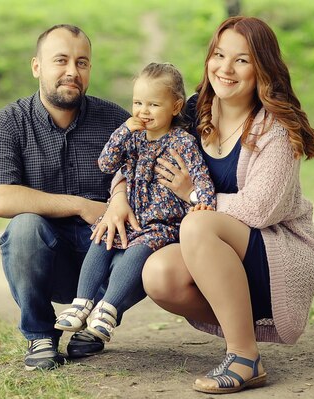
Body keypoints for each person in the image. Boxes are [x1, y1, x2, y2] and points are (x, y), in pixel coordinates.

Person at [98, 16, 314, 394]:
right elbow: (139, 147)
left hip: (273, 254)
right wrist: (119, 195)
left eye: (241, 60)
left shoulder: (275, 130)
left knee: (197, 223)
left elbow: (259, 210)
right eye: (219, 55)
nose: (225, 68)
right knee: (158, 275)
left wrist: (193, 196)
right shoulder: (192, 110)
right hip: (215, 259)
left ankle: (244, 356)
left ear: (262, 69)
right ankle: (242, 330)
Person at [0, 24, 134, 371]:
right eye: (60, 61)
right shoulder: (7, 123)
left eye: (82, 62)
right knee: (24, 228)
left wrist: (120, 195)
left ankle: (95, 325)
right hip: (46, 254)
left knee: (149, 235)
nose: (71, 72)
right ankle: (40, 334)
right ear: (37, 66)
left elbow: (142, 175)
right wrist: (81, 205)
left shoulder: (116, 121)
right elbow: (0, 198)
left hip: (105, 250)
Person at [54, 63, 216, 343]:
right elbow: (106, 163)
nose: (143, 111)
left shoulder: (182, 142)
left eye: (154, 104)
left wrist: (201, 201)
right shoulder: (134, 137)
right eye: (138, 103)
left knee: (137, 252)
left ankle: (108, 310)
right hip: (131, 216)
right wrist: (123, 131)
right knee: (102, 237)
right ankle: (81, 304)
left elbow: (202, 180)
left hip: (161, 226)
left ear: (176, 107)